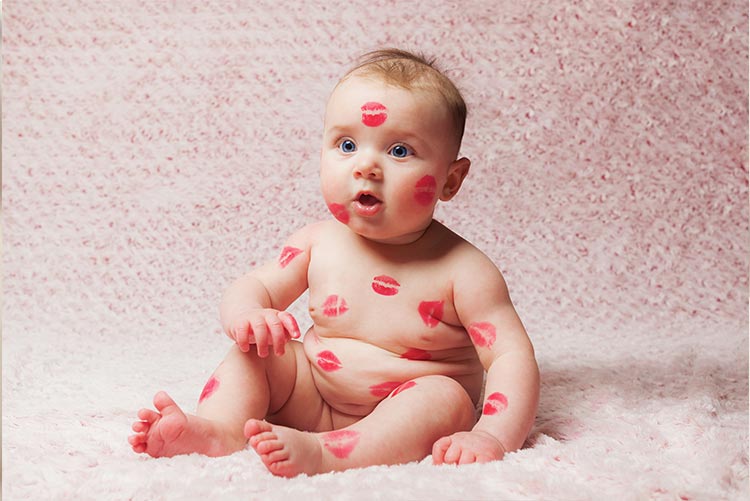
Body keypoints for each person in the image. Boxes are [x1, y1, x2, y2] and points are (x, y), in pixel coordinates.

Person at [128, 48, 540, 477]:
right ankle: (219, 430)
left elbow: (511, 356)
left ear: (450, 180)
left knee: (444, 397)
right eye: (346, 144)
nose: (366, 166)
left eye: (399, 151)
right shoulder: (316, 243)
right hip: (313, 393)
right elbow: (256, 286)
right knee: (258, 353)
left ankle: (329, 453)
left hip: (404, 412)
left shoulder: (465, 271)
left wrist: (492, 433)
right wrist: (248, 315)